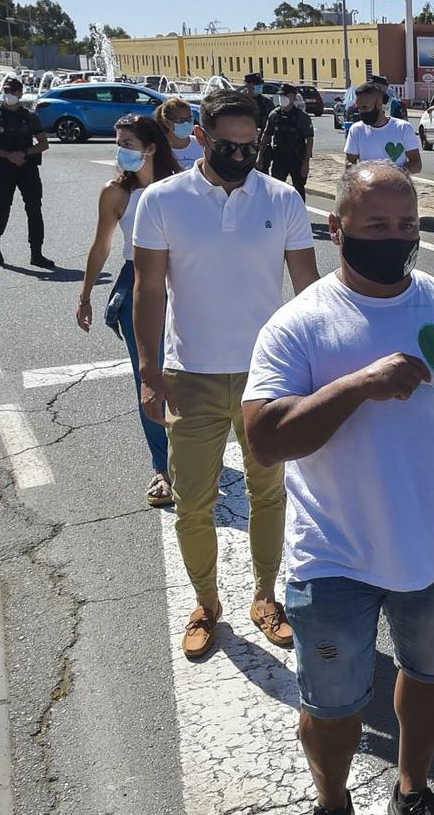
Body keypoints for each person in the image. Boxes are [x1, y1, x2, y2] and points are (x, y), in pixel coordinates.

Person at [243, 163, 434, 815]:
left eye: (407, 226)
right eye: (377, 226)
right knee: (331, 707)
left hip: (432, 550)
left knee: (428, 679)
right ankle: (331, 809)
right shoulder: (299, 324)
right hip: (332, 557)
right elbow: (264, 438)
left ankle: (412, 790)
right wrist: (358, 384)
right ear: (339, 229)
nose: (395, 239)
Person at [133, 87, 320, 659]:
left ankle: (266, 595)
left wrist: (315, 364)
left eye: (249, 144)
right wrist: (147, 368)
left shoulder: (284, 199)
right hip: (189, 374)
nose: (240, 155)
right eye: (227, 144)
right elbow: (148, 290)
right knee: (193, 502)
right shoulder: (163, 201)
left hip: (268, 377)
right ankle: (206, 604)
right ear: (200, 139)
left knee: (270, 494)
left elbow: (308, 291)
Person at [76, 115, 184, 507]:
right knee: (150, 376)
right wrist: (85, 295)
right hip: (135, 282)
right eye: (117, 141)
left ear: (151, 147)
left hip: (185, 284)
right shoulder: (115, 193)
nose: (119, 150)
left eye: (127, 143)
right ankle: (163, 467)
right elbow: (101, 245)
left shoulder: (181, 187)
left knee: (191, 375)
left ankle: (193, 450)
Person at [0, 76, 53, 267]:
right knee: (2, 209)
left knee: (34, 209)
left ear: (21, 93)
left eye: (12, 91)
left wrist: (24, 153)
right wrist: (8, 155)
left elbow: (43, 144)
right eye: (5, 91)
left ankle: (36, 254)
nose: (8, 95)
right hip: (3, 168)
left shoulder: (30, 116)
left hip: (26, 168)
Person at [342, 80, 423, 175]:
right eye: (358, 108)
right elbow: (349, 163)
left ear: (379, 104)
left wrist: (392, 175)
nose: (361, 112)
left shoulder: (403, 128)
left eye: (365, 107)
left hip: (397, 187)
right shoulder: (356, 130)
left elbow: (416, 164)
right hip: (368, 186)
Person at [263, 83, 316, 190]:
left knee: (299, 188)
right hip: (279, 158)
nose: (282, 98)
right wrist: (260, 156)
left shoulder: (301, 117)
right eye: (281, 95)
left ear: (293, 98)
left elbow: (309, 140)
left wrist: (306, 163)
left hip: (296, 159)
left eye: (285, 96)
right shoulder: (274, 114)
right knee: (276, 188)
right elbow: (267, 135)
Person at [155, 97, 205, 169]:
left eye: (189, 118)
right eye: (180, 120)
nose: (186, 123)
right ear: (167, 123)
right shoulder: (158, 149)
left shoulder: (202, 145)